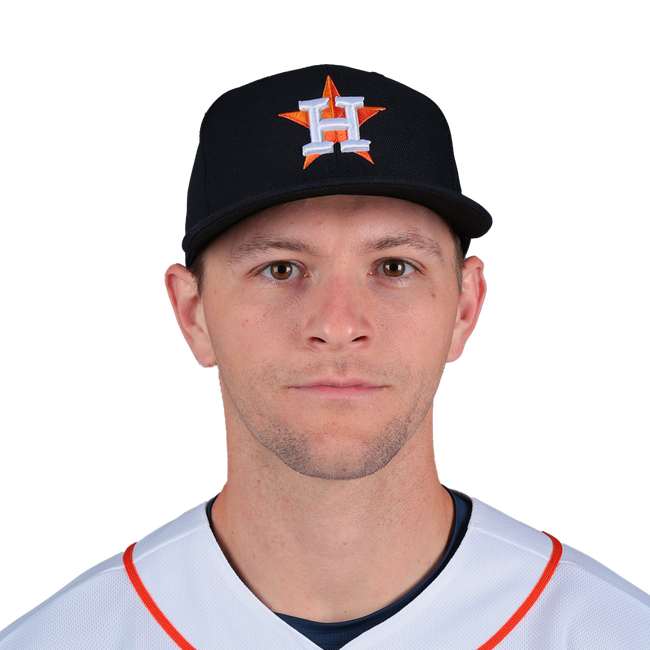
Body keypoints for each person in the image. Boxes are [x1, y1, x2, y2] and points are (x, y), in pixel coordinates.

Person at [2, 64, 648, 649]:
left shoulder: (613, 632)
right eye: (281, 268)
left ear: (464, 307)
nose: (338, 326)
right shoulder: (58, 641)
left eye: (394, 266)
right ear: (193, 313)